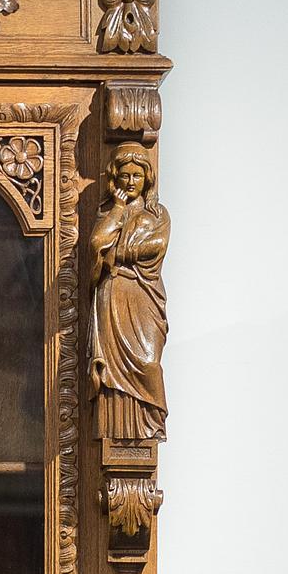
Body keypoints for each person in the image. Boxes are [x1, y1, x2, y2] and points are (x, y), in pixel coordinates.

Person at [90, 143, 169, 443]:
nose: (131, 182)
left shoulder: (157, 214)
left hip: (143, 295)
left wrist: (118, 253)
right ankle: (117, 435)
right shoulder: (109, 211)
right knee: (112, 374)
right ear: (115, 178)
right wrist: (119, 209)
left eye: (137, 175)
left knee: (148, 363)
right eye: (125, 176)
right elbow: (97, 244)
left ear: (147, 178)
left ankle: (148, 425)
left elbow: (156, 247)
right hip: (113, 295)